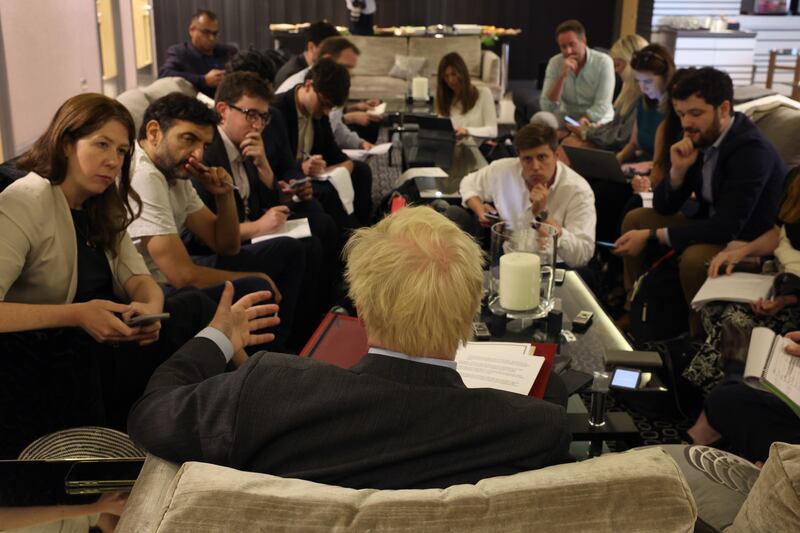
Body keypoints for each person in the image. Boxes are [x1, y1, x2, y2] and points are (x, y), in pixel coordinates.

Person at [128, 207, 572, 490]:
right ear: (471, 307)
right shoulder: (534, 430)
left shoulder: (265, 389)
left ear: (359, 306)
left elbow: (150, 417)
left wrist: (218, 338)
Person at [0, 94, 213, 457]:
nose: (113, 161)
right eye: (101, 145)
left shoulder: (100, 203)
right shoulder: (27, 199)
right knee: (195, 312)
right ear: (66, 143)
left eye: (121, 151)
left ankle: (196, 433)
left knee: (193, 306)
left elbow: (138, 278)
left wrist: (148, 309)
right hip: (44, 356)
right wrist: (77, 314)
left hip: (100, 341)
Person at [126, 93, 305, 352]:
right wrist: (253, 275)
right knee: (258, 286)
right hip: (153, 292)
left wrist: (223, 196)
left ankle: (285, 350)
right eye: (188, 139)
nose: (197, 154)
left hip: (172, 274)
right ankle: (259, 373)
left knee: (288, 250)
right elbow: (182, 276)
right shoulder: (145, 175)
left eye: (203, 145)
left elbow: (226, 245)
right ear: (154, 132)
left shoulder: (176, 175)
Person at [614, 67, 786, 334]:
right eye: (682, 114)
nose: (686, 123)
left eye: (696, 113)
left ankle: (696, 335)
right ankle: (634, 306)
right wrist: (677, 173)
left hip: (751, 240)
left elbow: (725, 227)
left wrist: (652, 236)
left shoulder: (751, 151)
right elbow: (663, 207)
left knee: (694, 258)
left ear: (724, 108)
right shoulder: (699, 137)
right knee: (635, 217)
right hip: (712, 222)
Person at [198, 71, 340, 349]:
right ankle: (288, 341)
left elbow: (271, 200)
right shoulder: (208, 152)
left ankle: (314, 323)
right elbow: (201, 236)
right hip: (224, 246)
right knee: (299, 248)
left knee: (318, 230)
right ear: (223, 111)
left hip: (255, 230)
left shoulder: (249, 145)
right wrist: (258, 227)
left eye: (263, 117)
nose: (258, 124)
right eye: (251, 114)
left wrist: (263, 166)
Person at [449, 123, 596, 268]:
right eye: (527, 159)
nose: (535, 167)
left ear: (556, 156)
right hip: (508, 258)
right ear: (519, 158)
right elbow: (468, 183)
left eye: (542, 157)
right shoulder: (503, 170)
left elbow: (582, 255)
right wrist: (479, 208)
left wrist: (542, 216)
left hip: (554, 266)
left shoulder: (578, 190)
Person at [273, 58, 374, 226]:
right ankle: (352, 239)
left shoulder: (319, 113)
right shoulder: (277, 111)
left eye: (331, 107)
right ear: (308, 85)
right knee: (329, 193)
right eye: (324, 104)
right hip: (291, 181)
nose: (327, 111)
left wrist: (344, 165)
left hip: (314, 176)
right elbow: (274, 164)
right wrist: (302, 168)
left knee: (361, 171)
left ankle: (363, 227)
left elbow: (334, 153)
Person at [276, 36, 382, 149]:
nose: (350, 73)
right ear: (328, 59)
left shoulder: (327, 88)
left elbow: (334, 126)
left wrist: (360, 143)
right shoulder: (306, 87)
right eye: (346, 67)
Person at [562, 34, 648, 153]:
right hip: (611, 142)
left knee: (570, 144)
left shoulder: (643, 96)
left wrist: (587, 132)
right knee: (569, 142)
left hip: (620, 148)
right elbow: (615, 126)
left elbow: (621, 138)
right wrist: (595, 129)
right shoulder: (628, 90)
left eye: (618, 65)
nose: (616, 70)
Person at [536, 19, 615, 128]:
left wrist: (584, 119)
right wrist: (562, 76)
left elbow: (602, 105)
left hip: (597, 119)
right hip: (568, 118)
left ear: (583, 41)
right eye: (563, 47)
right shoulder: (555, 63)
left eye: (572, 45)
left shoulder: (604, 62)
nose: (568, 51)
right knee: (540, 119)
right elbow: (546, 106)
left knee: (590, 131)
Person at [616, 44, 675, 166]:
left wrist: (644, 166)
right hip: (637, 168)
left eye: (648, 81)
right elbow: (633, 144)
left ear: (666, 77)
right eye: (639, 81)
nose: (642, 88)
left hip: (658, 173)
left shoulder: (677, 108)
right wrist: (618, 159)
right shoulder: (643, 103)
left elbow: (671, 160)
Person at [158, 9, 237, 98]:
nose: (211, 38)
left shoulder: (228, 51)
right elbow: (164, 74)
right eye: (206, 32)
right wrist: (203, 80)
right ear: (192, 30)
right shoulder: (180, 52)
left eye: (215, 33)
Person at [436, 52, 498, 139]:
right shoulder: (446, 100)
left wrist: (467, 131)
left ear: (462, 73)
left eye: (454, 74)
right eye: (446, 76)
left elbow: (493, 131)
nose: (450, 80)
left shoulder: (483, 93)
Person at [274, 21, 339, 88]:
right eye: (330, 52)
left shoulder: (306, 68)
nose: (334, 58)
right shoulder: (294, 77)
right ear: (311, 47)